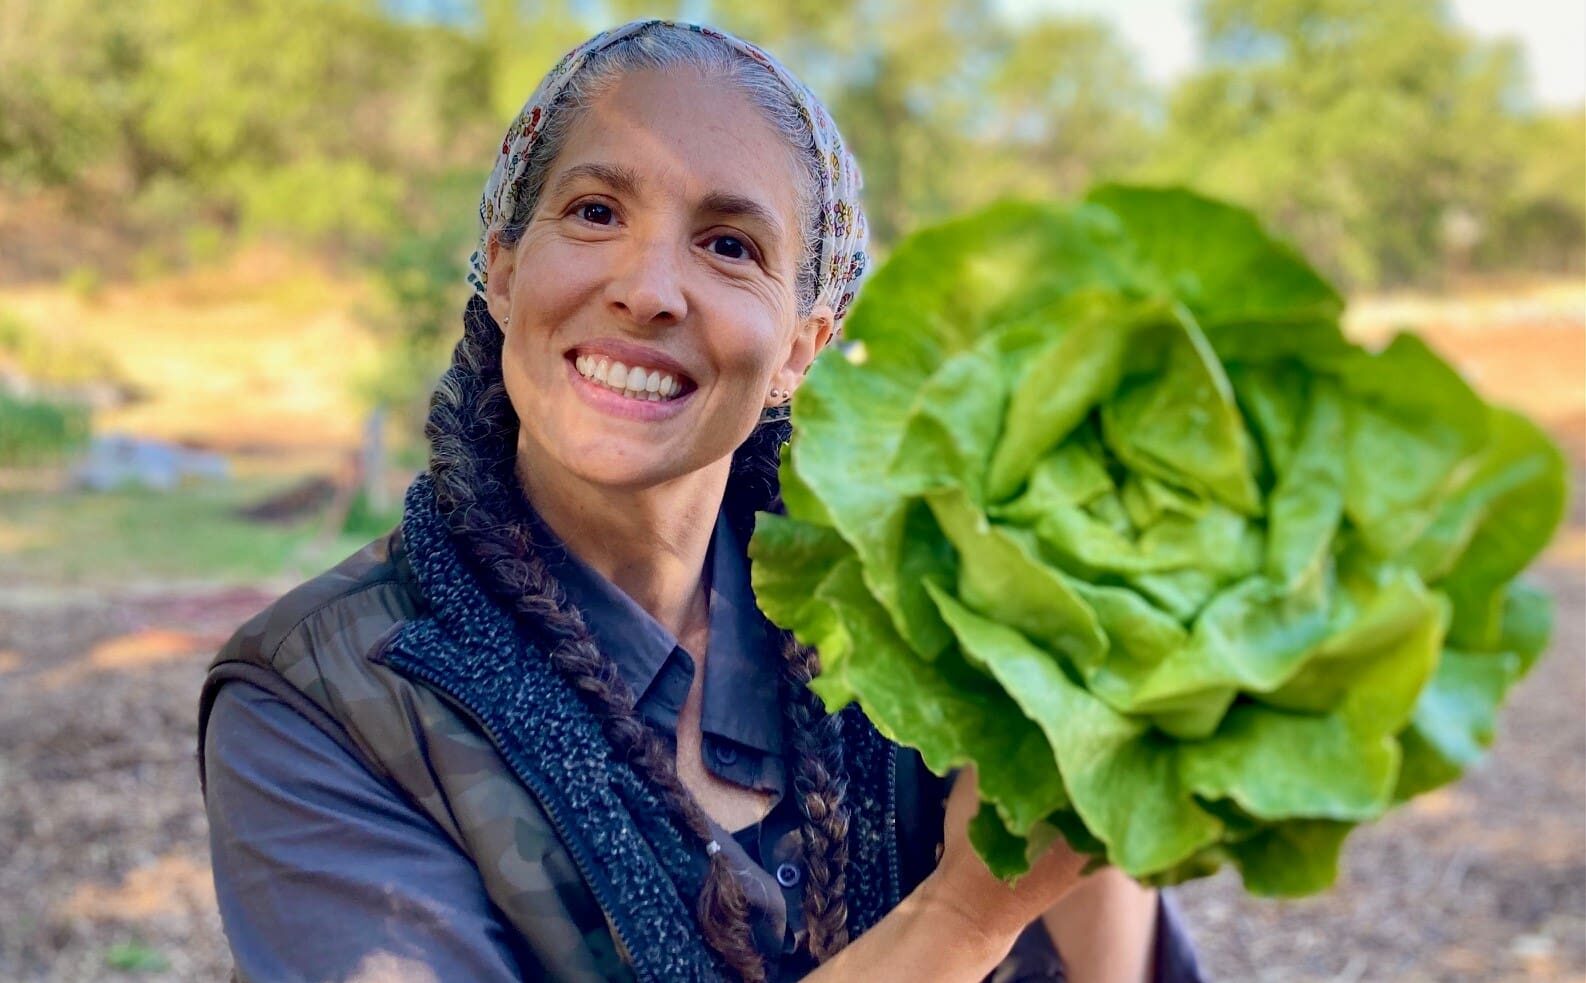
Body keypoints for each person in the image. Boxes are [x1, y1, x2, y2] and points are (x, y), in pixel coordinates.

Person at [196, 19, 1204, 983]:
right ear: (502, 271)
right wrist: (964, 914)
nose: (647, 288)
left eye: (728, 244)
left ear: (800, 347)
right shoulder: (320, 700)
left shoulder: (929, 620)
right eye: (595, 211)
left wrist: (1098, 720)